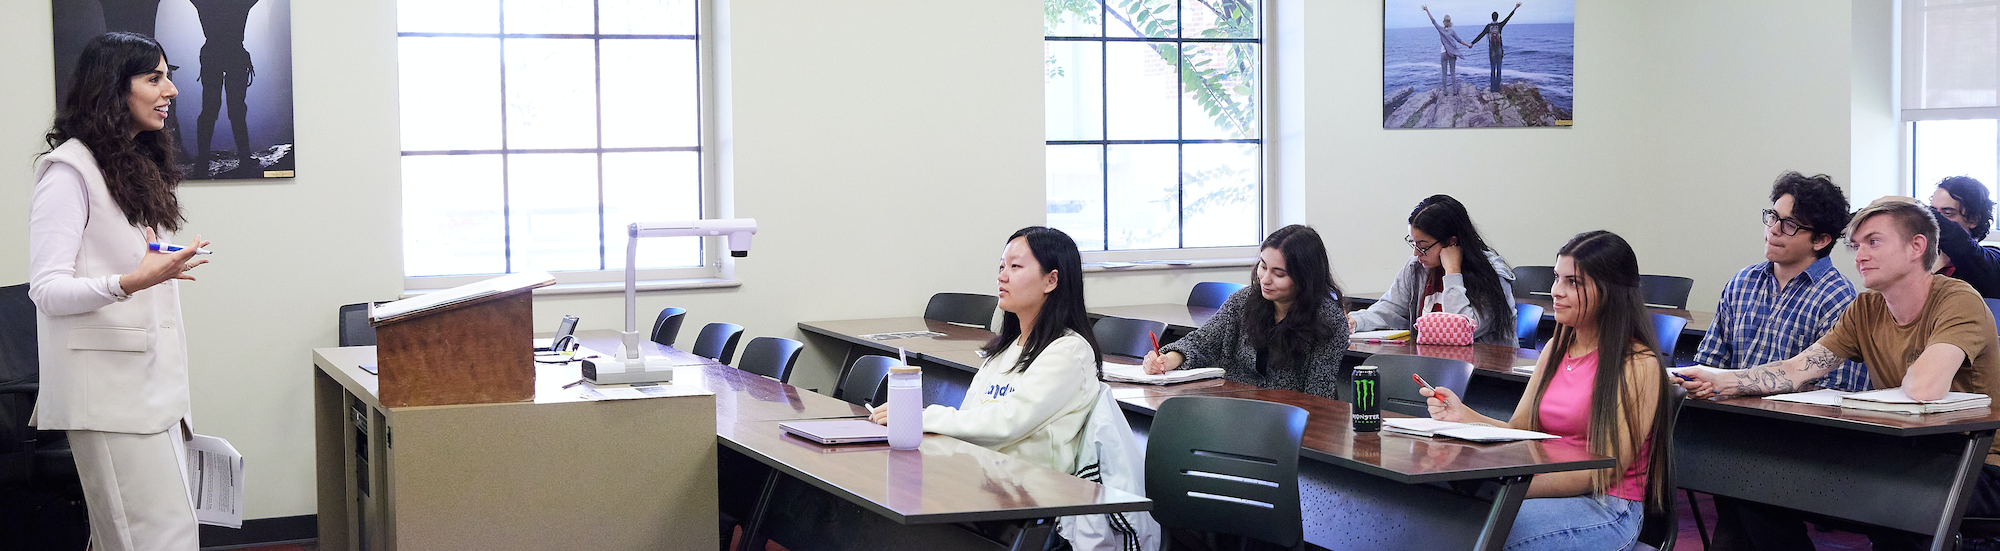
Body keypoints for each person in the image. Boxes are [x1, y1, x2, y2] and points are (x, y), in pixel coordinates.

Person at [1680, 197, 2000, 551]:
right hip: (1907, 453)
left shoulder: (1958, 299)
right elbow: (1798, 369)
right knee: (1755, 481)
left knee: (1898, 503)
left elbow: (1924, 387)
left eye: (1874, 242)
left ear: (1917, 246)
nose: (1860, 255)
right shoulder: (1865, 307)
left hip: (1979, 462)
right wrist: (1719, 379)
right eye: (1856, 245)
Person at [30, 32, 212, 551]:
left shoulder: (128, 163)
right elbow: (47, 290)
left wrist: (159, 259)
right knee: (155, 539)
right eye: (153, 78)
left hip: (150, 386)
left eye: (166, 75)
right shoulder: (67, 171)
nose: (170, 89)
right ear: (112, 90)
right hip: (108, 397)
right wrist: (131, 282)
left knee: (148, 535)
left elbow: (119, 253)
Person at [1421, 231, 1672, 551]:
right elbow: (1520, 432)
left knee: (1483, 536)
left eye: (1573, 282)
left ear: (1609, 292)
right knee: (1445, 520)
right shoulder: (1555, 348)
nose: (1556, 291)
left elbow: (1605, 469)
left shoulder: (1638, 363)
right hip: (1544, 487)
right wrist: (1462, 415)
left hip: (1607, 506)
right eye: (1556, 278)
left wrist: (1509, 490)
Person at [871, 226, 1104, 474]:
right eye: (1002, 267)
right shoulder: (1004, 349)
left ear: (1051, 280)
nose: (1002, 277)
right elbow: (971, 416)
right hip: (985, 477)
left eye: (1015, 267)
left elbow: (1006, 423)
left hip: (1031, 495)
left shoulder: (1069, 352)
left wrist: (922, 417)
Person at [1695, 172, 1868, 391]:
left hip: (1793, 421)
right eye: (1773, 217)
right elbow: (1711, 363)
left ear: (1821, 240)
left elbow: (1833, 392)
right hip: (1729, 414)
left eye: (1790, 225)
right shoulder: (1742, 283)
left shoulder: (1836, 297)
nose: (1774, 229)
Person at [1140, 225, 1353, 400]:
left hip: (1294, 422)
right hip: (1238, 413)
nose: (1265, 278)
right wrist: (1168, 359)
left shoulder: (1328, 321)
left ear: (1305, 278)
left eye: (1279, 273)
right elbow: (1202, 341)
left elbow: (1317, 396)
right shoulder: (1243, 301)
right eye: (1263, 266)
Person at [1349, 195, 1519, 346]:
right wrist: (1355, 321)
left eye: (1422, 247)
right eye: (1414, 244)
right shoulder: (1416, 268)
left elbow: (1462, 331)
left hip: (1483, 372)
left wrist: (1453, 272)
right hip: (1431, 364)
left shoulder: (1491, 273)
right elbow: (1390, 309)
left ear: (1451, 242)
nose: (1416, 254)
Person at [193, 0, 262, 173]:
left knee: (209, 109)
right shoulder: (239, 3)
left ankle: (202, 162)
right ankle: (245, 158)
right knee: (237, 109)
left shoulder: (205, 3)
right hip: (235, 54)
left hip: (212, 54)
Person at [1931, 176, 2000, 298]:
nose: (1934, 221)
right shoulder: (1920, 260)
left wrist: (1915, 210)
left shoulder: (1992, 261)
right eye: (1933, 211)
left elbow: (1962, 246)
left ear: (1974, 219)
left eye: (1947, 214)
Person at [1467, 3, 1522, 93]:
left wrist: (1472, 43)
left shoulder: (1488, 27)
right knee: (1499, 68)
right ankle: (1498, 87)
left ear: (1492, 17)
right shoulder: (1500, 26)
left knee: (1493, 68)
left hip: (1492, 49)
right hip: (1499, 49)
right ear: (1497, 17)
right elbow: (1508, 18)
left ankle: (1493, 88)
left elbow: (1480, 35)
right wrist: (1515, 8)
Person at [1422, 5, 1474, 96]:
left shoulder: (1440, 29)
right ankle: (1454, 91)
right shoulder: (1452, 31)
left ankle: (1445, 91)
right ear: (1450, 22)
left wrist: (1427, 10)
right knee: (1453, 73)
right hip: (1452, 53)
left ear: (1444, 22)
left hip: (1443, 53)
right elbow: (1459, 40)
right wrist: (1468, 45)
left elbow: (1433, 21)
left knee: (1444, 73)